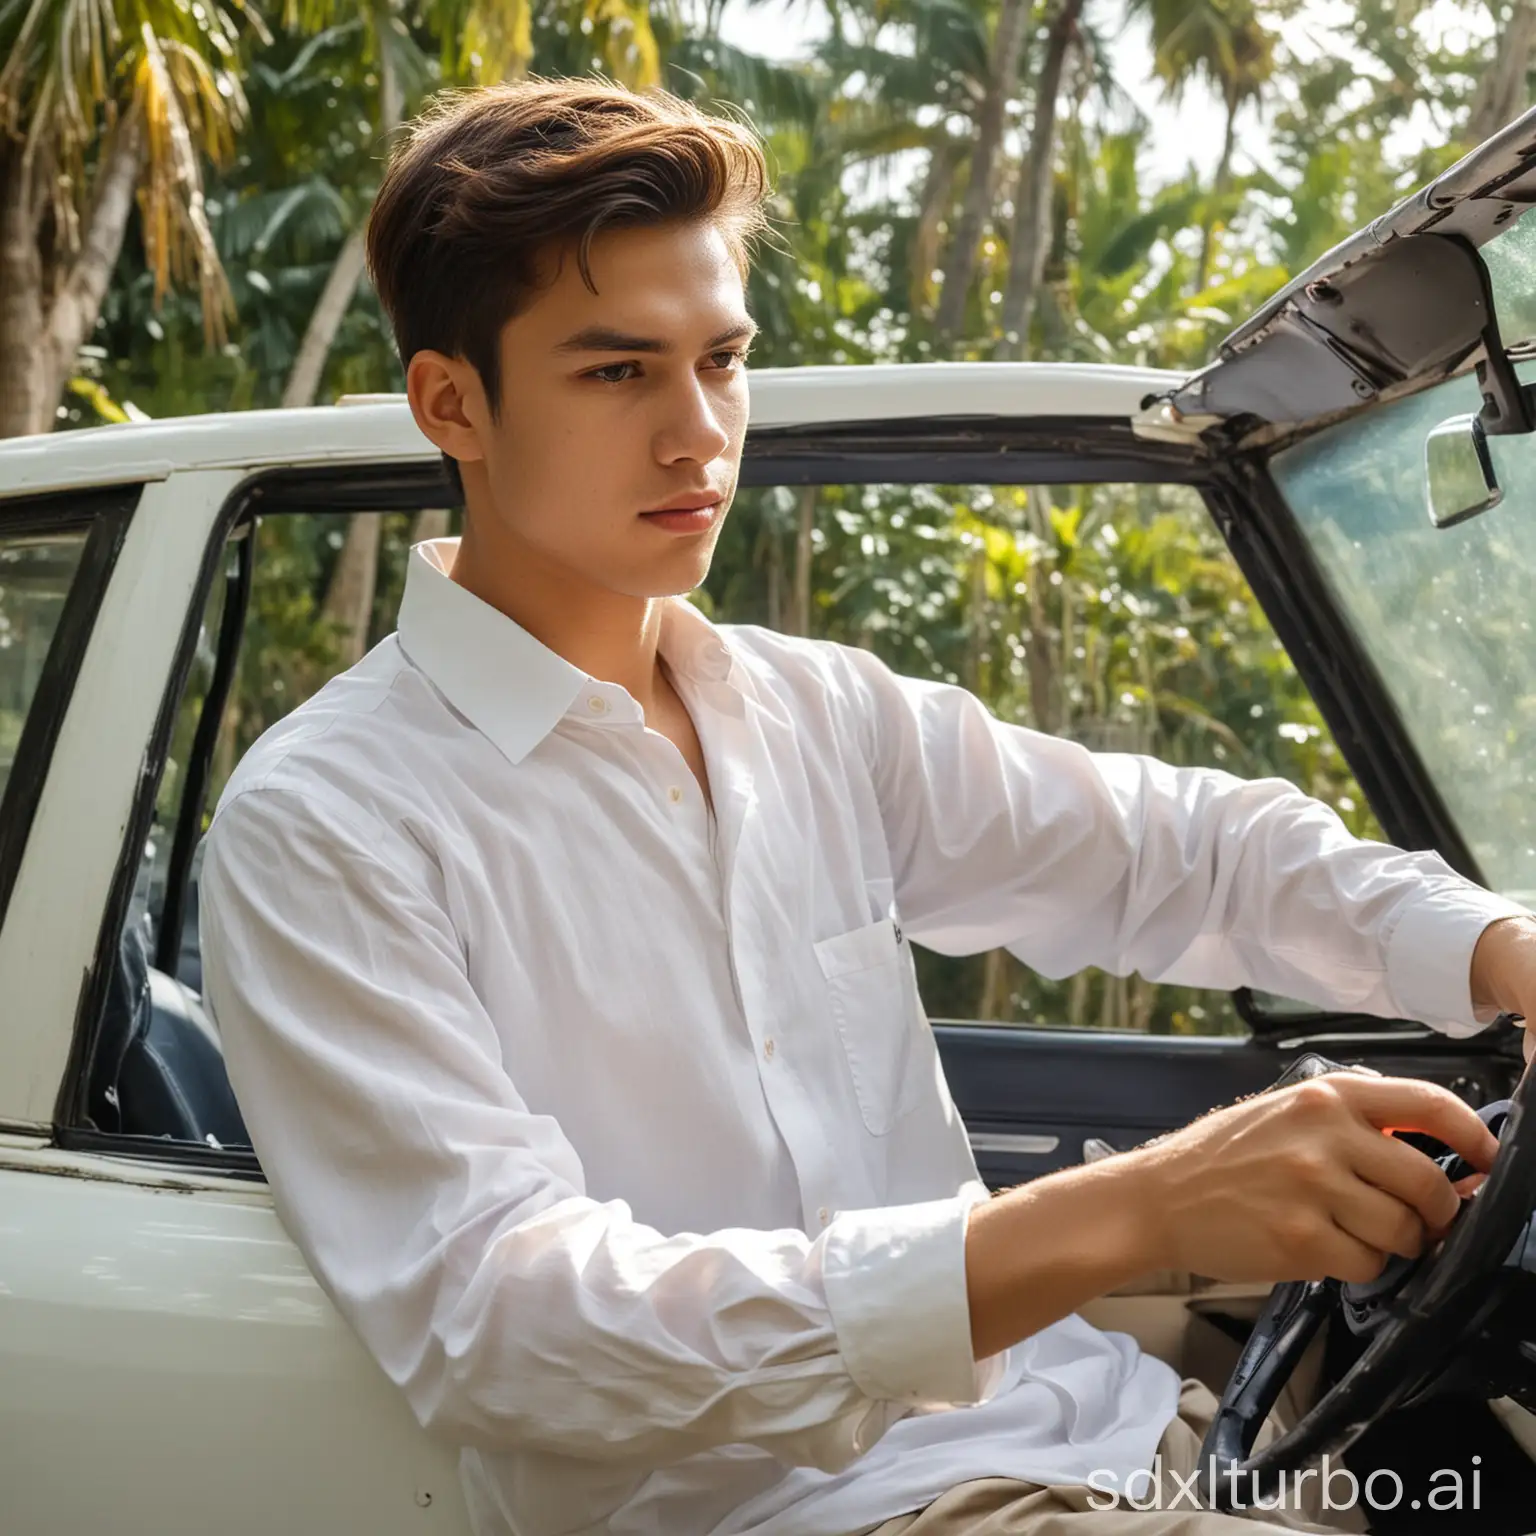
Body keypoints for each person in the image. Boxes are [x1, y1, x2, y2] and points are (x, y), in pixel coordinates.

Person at [198, 77, 1536, 1536]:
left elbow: (1179, 850)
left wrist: (1495, 949)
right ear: (451, 400)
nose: (697, 437)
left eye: (722, 360)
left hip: (1109, 1427)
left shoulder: (812, 712)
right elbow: (517, 1328)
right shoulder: (329, 822)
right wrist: (1139, 1210)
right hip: (821, 1511)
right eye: (615, 373)